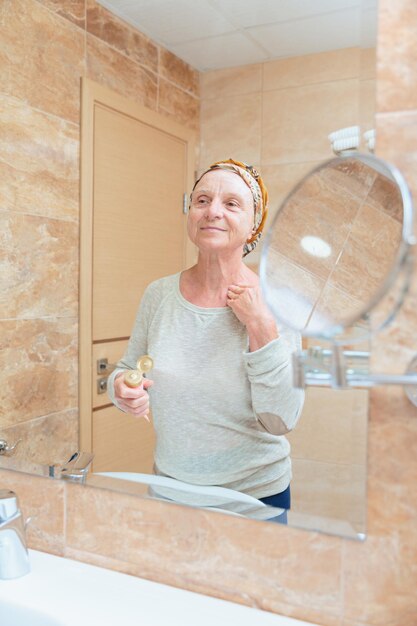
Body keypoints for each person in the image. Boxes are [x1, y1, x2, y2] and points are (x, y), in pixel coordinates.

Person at [107, 158, 304, 518]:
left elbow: (282, 420)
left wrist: (261, 325)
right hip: (171, 491)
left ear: (253, 226)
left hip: (255, 501)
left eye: (231, 204)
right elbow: (125, 370)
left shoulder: (278, 303)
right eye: (201, 200)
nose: (212, 211)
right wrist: (121, 387)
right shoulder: (158, 295)